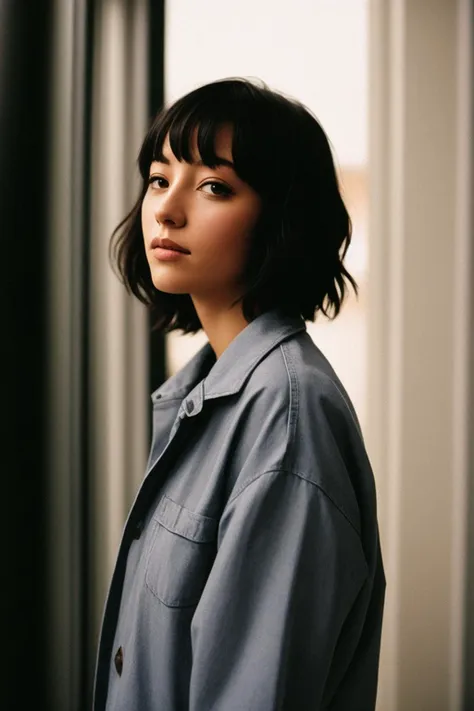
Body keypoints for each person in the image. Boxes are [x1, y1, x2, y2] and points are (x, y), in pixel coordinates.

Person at [92, 77, 386, 711]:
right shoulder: (211, 395)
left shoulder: (284, 424)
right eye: (158, 179)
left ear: (282, 218)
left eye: (214, 187)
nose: (167, 209)